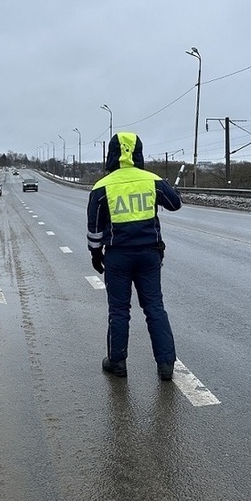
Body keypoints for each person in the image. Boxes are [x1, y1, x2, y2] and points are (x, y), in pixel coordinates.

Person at [86, 131, 182, 380]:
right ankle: (166, 366)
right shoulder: (152, 180)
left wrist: (96, 255)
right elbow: (175, 203)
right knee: (154, 307)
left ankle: (117, 362)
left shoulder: (101, 187)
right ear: (138, 152)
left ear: (111, 154)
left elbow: (94, 228)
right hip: (150, 255)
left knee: (119, 310)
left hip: (118, 257)